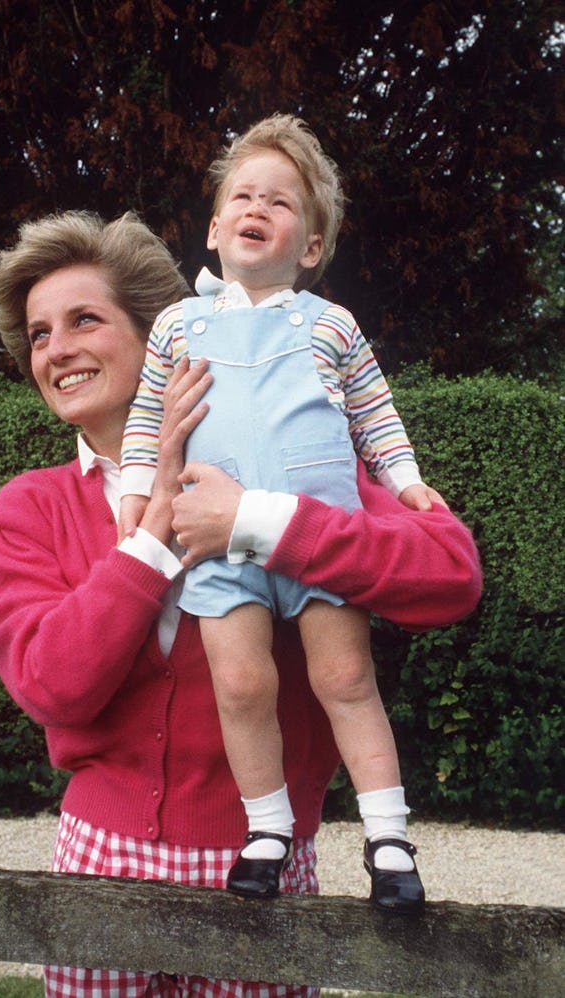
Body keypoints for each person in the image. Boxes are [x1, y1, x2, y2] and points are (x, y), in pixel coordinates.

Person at [0, 208, 481, 998]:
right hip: (99, 866)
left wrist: (259, 522)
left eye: (83, 320)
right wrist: (151, 536)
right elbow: (54, 686)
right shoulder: (24, 511)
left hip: (264, 873)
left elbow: (451, 575)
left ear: (164, 334)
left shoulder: (303, 468)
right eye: (39, 334)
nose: (57, 349)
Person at [120, 114, 443, 910]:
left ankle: (388, 836)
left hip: (316, 534)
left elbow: (375, 414)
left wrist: (405, 481)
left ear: (309, 246)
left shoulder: (331, 324)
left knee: (345, 676)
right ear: (215, 227)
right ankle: (266, 828)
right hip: (213, 539)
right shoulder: (175, 325)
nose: (257, 205)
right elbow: (146, 418)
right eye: (243, 195)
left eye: (281, 200)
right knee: (240, 682)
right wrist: (137, 493)